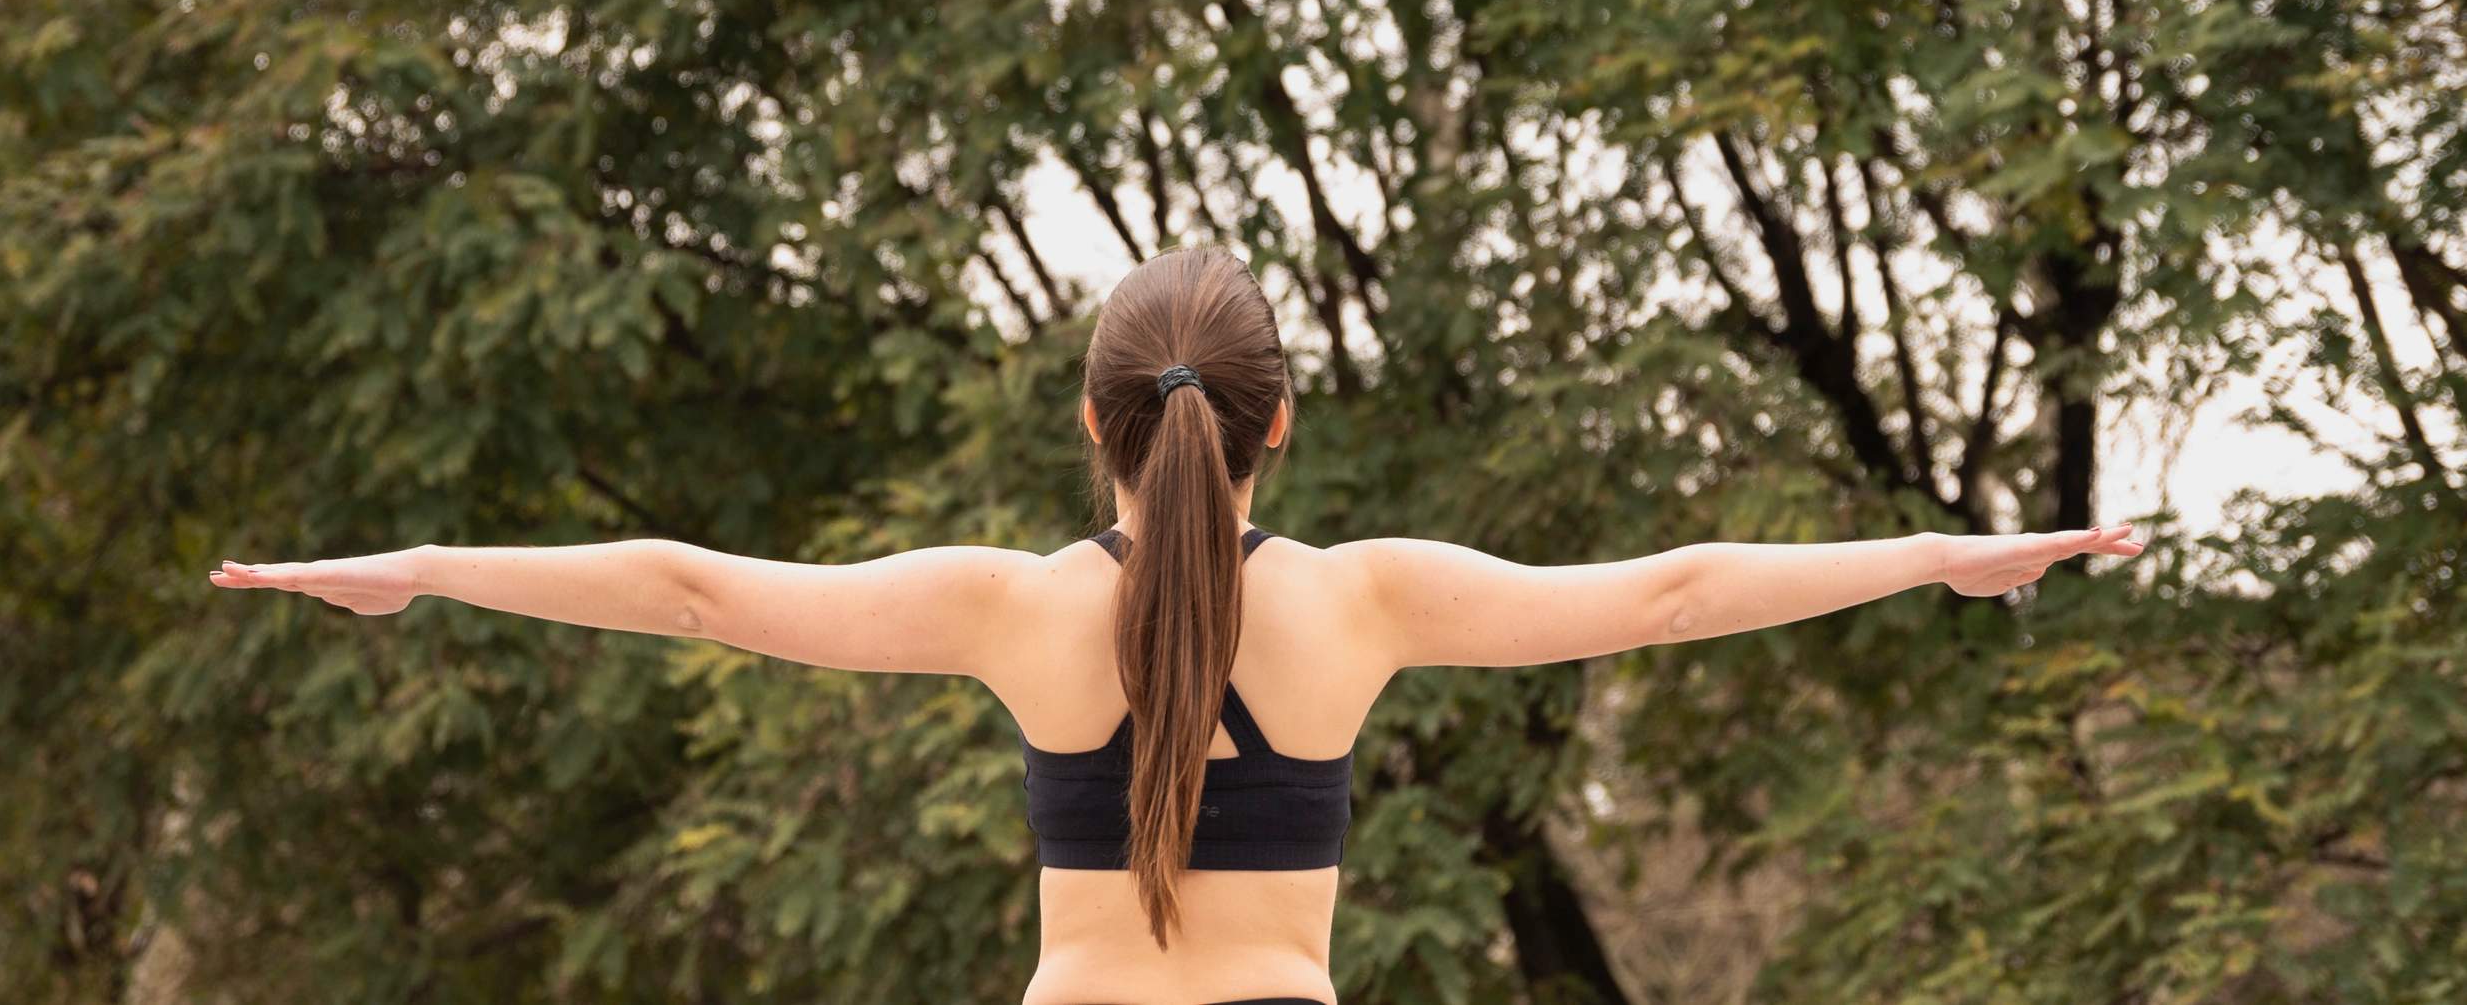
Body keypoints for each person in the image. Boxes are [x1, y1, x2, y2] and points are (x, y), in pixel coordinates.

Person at [210, 244, 2145, 1005]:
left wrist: (424, 567)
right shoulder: (1364, 603)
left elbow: (693, 586)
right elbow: (1670, 592)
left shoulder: (1010, 608)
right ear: (1280, 418)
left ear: (1091, 427)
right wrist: (1942, 559)